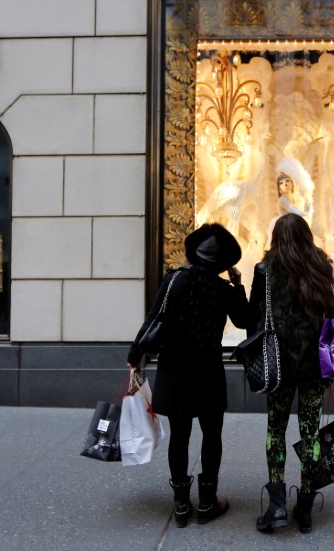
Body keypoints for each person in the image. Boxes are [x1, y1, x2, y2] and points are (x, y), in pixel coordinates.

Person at [127, 223, 250, 528]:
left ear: (193, 253)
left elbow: (153, 319)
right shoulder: (223, 289)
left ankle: (181, 505)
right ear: (224, 263)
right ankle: (207, 503)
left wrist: (135, 358)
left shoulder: (173, 281)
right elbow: (247, 320)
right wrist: (238, 285)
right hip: (208, 371)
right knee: (212, 437)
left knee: (179, 438)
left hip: (174, 372)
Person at [249, 213, 334, 534]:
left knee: (276, 429)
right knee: (311, 433)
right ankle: (305, 508)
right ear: (306, 235)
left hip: (279, 366)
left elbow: (252, 320)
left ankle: (276, 506)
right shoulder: (321, 266)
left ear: (276, 237)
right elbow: (332, 314)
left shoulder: (264, 271)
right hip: (315, 365)